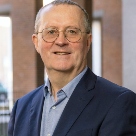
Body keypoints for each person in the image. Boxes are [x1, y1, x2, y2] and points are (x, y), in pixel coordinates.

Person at [8, 0, 136, 136]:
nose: (61, 41)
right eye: (51, 31)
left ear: (87, 42)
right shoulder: (21, 108)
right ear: (36, 42)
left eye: (72, 32)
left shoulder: (119, 103)